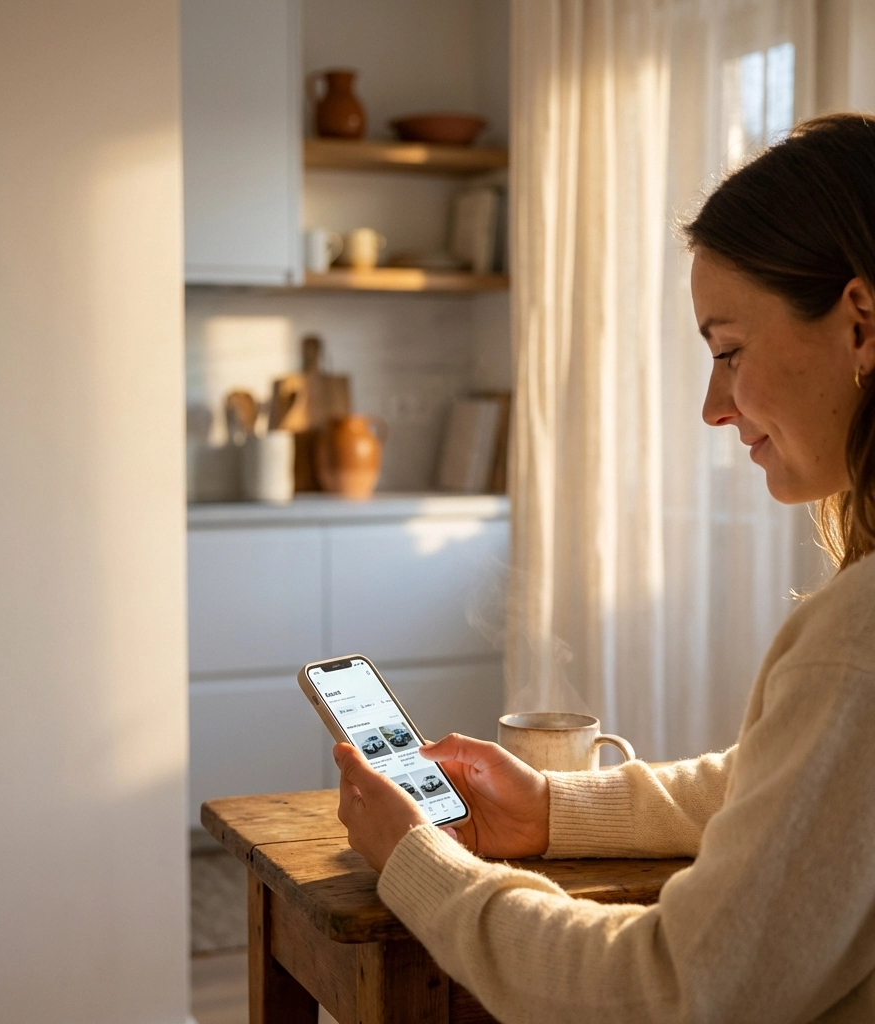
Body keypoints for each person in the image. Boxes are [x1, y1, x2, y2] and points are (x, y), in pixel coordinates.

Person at [334, 113, 875, 1023]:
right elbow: (793, 790)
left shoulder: (855, 641)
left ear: (861, 322)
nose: (714, 406)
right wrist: (555, 808)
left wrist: (422, 868)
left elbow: (670, 991)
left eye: (728, 351)